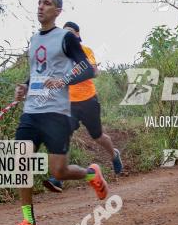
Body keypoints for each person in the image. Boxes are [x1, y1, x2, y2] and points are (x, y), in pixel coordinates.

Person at [7, 0, 108, 225]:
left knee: (60, 172)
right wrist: (25, 87)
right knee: (21, 162)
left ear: (58, 11)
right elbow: (39, 72)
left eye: (47, 3)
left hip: (57, 113)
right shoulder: (33, 40)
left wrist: (63, 80)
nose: (41, 7)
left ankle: (91, 174)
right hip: (32, 110)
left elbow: (87, 69)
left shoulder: (65, 37)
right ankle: (28, 221)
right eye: (39, 3)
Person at [43, 21, 123, 193]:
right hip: (68, 103)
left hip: (88, 100)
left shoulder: (85, 51)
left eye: (71, 32)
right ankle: (57, 177)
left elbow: (93, 71)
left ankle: (114, 155)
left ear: (77, 35)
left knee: (98, 136)